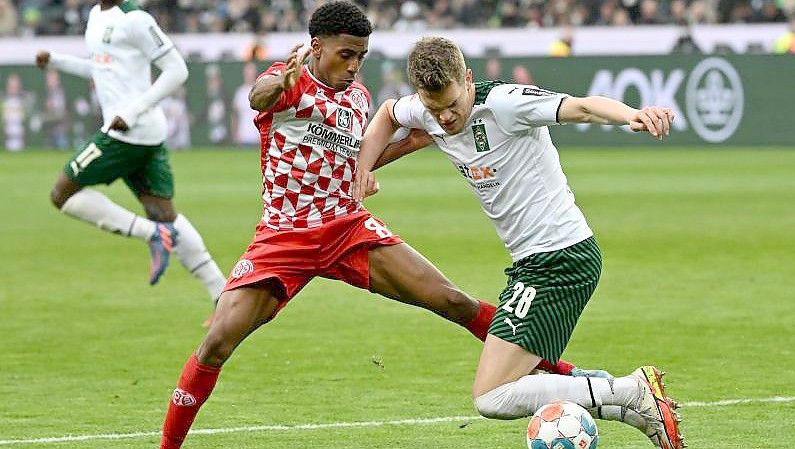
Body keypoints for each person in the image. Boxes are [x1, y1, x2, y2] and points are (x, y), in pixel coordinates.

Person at [157, 3, 606, 448]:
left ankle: (565, 373)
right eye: (345, 55)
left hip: (347, 229)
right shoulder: (290, 83)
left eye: (361, 57)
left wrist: (406, 146)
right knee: (217, 342)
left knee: (452, 301)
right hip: (284, 236)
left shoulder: (357, 100)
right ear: (317, 47)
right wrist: (279, 80)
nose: (354, 66)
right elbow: (261, 95)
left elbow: (350, 162)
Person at [353, 36, 684, 449]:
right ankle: (612, 392)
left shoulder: (506, 104)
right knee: (509, 385)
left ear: (469, 79)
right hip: (533, 263)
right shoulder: (427, 109)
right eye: (434, 109)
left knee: (493, 396)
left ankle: (628, 393)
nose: (445, 117)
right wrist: (363, 170)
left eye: (453, 104)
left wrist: (633, 114)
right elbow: (387, 113)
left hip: (561, 259)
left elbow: (579, 106)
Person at [35, 0, 226, 319]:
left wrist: (133, 110)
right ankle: (220, 292)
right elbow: (101, 68)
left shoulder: (135, 19)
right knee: (164, 214)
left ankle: (153, 235)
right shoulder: (96, 16)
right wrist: (56, 62)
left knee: (62, 193)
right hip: (142, 134)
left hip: (126, 133)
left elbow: (177, 69)